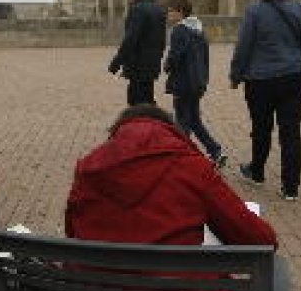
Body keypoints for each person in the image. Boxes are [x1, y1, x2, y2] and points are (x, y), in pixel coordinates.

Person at [66, 104, 276, 247]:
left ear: (116, 135)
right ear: (171, 131)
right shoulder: (192, 167)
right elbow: (260, 240)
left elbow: (72, 232)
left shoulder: (87, 169)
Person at [230, 0, 301, 202]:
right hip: (296, 76)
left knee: (261, 128)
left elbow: (244, 46)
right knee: (291, 131)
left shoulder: (255, 10)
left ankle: (257, 171)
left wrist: (235, 75)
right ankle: (291, 187)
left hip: (262, 79)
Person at [163, 0, 226, 167]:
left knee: (182, 122)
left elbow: (175, 56)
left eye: (170, 11)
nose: (168, 14)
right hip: (197, 82)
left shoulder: (179, 30)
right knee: (194, 121)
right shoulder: (198, 29)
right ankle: (215, 151)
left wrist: (167, 66)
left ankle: (181, 158)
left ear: (180, 12)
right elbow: (205, 59)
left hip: (183, 83)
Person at [107, 0, 167, 106]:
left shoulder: (138, 9)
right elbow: (162, 41)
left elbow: (130, 40)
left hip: (138, 67)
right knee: (147, 99)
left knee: (136, 102)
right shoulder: (159, 9)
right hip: (151, 66)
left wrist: (116, 63)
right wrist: (156, 59)